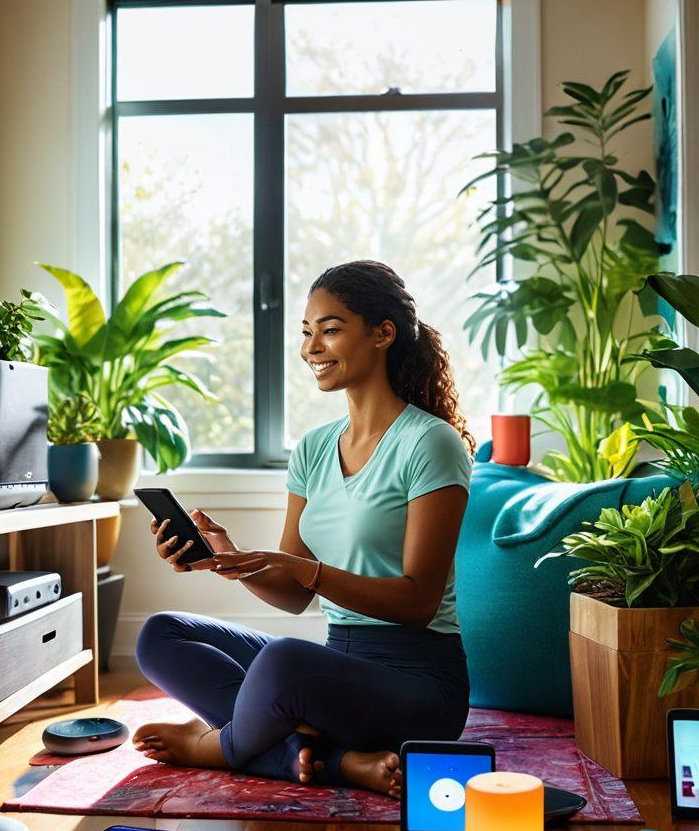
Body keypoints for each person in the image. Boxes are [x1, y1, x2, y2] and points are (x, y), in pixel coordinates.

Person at [132, 259, 475, 797]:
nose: (311, 347)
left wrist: (308, 571)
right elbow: (293, 597)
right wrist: (230, 559)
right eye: (307, 331)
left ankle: (217, 747)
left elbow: (418, 602)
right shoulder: (314, 449)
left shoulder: (430, 443)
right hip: (335, 668)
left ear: (383, 334)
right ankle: (339, 762)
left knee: (283, 662)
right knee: (160, 634)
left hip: (419, 686)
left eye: (331, 329)